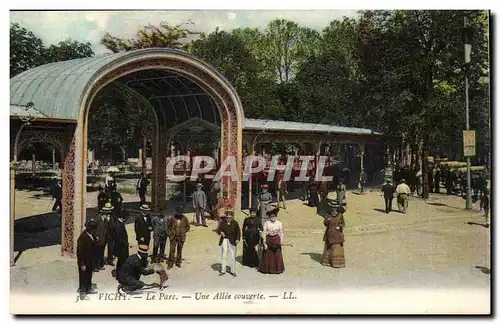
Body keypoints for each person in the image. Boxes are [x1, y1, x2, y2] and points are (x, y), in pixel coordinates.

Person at [259, 207, 285, 274]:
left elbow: (281, 233)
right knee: (268, 254)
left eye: (273, 216)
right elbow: (264, 233)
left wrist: (281, 241)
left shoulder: (279, 223)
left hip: (276, 239)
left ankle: (277, 269)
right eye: (271, 216)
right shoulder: (267, 223)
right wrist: (264, 243)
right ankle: (267, 269)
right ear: (269, 217)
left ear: (275, 216)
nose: (272, 217)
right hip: (269, 240)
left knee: (277, 254)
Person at [77, 220, 98, 300]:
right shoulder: (83, 237)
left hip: (90, 260)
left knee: (89, 276)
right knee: (83, 277)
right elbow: (80, 252)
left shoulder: (91, 234)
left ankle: (88, 289)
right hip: (84, 262)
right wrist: (82, 264)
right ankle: (82, 293)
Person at [217, 209, 241, 276]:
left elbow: (238, 232)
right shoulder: (222, 222)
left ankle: (232, 271)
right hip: (224, 239)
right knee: (224, 255)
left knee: (232, 255)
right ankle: (223, 270)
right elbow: (218, 230)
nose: (228, 218)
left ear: (232, 216)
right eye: (227, 216)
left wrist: (238, 239)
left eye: (230, 216)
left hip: (232, 240)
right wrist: (221, 232)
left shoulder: (235, 223)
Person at [92, 202, 113, 271]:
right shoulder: (97, 218)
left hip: (103, 239)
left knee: (101, 253)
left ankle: (100, 265)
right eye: (107, 214)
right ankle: (95, 266)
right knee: (96, 253)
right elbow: (92, 229)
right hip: (98, 239)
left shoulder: (106, 220)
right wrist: (96, 236)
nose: (107, 215)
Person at [113, 212, 129, 279]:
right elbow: (119, 237)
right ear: (123, 217)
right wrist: (125, 243)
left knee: (120, 261)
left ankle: (119, 274)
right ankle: (120, 275)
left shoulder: (119, 223)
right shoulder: (119, 225)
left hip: (121, 247)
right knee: (122, 262)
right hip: (121, 247)